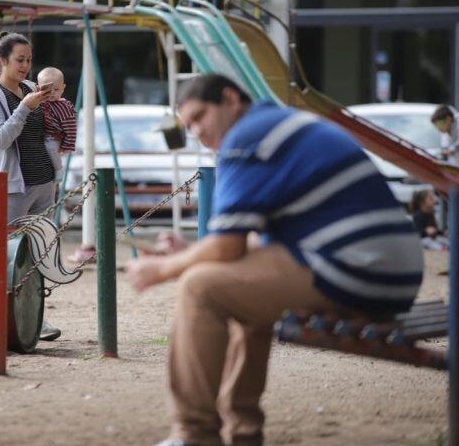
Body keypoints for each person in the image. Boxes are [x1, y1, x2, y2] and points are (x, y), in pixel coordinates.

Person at [126, 74, 423, 446]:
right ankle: (243, 432)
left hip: (359, 271)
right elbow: (244, 247)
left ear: (230, 98)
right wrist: (190, 253)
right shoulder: (277, 124)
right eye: (188, 126)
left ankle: (193, 433)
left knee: (200, 288)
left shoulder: (247, 137)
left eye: (200, 117)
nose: (197, 132)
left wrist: (163, 269)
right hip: (385, 271)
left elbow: (227, 249)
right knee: (239, 292)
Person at [0, 31, 61, 342]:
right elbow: (0, 138)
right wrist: (24, 107)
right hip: (10, 188)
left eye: (29, 60)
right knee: (8, 257)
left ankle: (35, 318)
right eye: (20, 60)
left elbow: (43, 131)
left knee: (38, 255)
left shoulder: (29, 88)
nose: (26, 66)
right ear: (2, 61)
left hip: (42, 183)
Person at [36, 67, 77, 181]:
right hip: (41, 133)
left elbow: (71, 128)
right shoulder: (38, 101)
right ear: (39, 88)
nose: (52, 93)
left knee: (50, 148)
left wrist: (67, 145)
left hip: (54, 135)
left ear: (63, 88)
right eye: (47, 90)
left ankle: (58, 169)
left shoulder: (64, 107)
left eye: (56, 89)